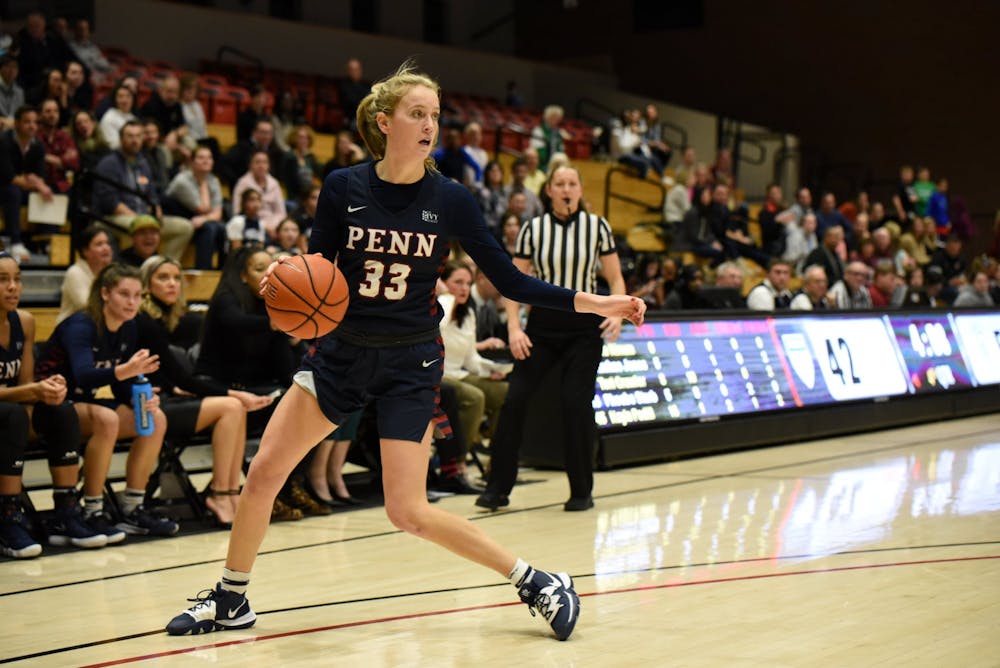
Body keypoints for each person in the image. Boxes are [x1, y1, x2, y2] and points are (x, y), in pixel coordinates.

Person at [166, 61, 643, 640]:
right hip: (341, 354)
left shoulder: (452, 199)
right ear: (384, 121)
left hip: (410, 363)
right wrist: (286, 292)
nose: (429, 126)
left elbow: (512, 282)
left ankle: (537, 580)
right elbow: (318, 273)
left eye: (435, 116)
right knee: (263, 471)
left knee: (406, 511)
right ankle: (230, 597)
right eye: (418, 114)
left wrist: (598, 302)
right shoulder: (343, 187)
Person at [476, 162, 628, 516]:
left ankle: (581, 491)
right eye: (559, 183)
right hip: (541, 326)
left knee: (575, 406)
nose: (566, 189)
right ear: (549, 191)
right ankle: (497, 489)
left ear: (580, 190)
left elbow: (616, 279)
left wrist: (615, 313)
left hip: (584, 328)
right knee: (515, 401)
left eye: (572, 183)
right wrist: (514, 327)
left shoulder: (598, 227)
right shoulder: (533, 229)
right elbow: (514, 283)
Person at [37, 263, 178, 539]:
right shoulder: (81, 325)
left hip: (83, 405)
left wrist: (143, 400)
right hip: (50, 406)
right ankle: (93, 509)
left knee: (154, 418)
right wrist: (128, 370)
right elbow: (84, 375)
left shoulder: (128, 327)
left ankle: (132, 508)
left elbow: (120, 383)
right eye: (124, 294)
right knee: (107, 418)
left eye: (138, 295)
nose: (132, 302)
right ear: (104, 293)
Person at [137, 255, 273, 527]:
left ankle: (231, 491)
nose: (172, 284)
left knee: (236, 408)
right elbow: (182, 379)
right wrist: (233, 393)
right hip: (150, 404)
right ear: (145, 284)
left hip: (170, 397)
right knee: (233, 405)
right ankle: (221, 493)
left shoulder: (181, 320)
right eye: (163, 278)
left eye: (176, 278)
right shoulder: (144, 320)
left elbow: (180, 379)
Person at [0, 251, 105, 557]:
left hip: (11, 410)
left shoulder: (26, 321)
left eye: (17, 279)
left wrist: (47, 391)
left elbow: (26, 386)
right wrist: (32, 390)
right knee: (14, 416)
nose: (13, 287)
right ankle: (7, 517)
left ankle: (66, 513)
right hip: (7, 415)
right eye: (3, 280)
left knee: (61, 409)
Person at [438, 259, 509, 487]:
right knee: (474, 397)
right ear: (443, 284)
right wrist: (444, 295)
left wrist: (492, 370)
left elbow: (472, 359)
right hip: (438, 375)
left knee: (504, 391)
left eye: (467, 283)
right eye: (457, 282)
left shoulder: (468, 315)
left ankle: (495, 463)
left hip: (458, 373)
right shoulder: (440, 306)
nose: (464, 288)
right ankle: (455, 465)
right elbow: (442, 317)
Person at [92, 120, 193, 261]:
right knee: (136, 227)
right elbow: (109, 202)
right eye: (130, 136)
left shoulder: (143, 163)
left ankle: (163, 267)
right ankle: (132, 270)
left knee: (184, 227)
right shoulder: (108, 163)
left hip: (143, 217)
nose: (134, 140)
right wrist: (139, 219)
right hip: (113, 217)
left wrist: (156, 209)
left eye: (138, 136)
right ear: (121, 139)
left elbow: (152, 194)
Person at [0, 105, 52, 262]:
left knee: (49, 192)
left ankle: (44, 240)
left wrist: (38, 183)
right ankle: (15, 241)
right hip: (3, 187)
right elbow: (10, 177)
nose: (32, 126)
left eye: (35, 122)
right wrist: (34, 182)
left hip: (22, 187)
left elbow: (41, 175)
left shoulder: (37, 145)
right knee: (13, 192)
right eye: (27, 122)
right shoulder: (3, 141)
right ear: (16, 123)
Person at [164, 146, 227, 269]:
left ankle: (221, 270)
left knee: (221, 228)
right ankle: (203, 270)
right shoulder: (182, 181)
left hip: (197, 219)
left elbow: (218, 213)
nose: (206, 161)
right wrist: (203, 184)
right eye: (201, 158)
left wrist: (205, 218)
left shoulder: (213, 180)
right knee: (209, 229)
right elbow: (203, 208)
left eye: (209, 158)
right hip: (177, 217)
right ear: (192, 162)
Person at [57, 224, 114, 323]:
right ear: (85, 251)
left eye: (107, 243)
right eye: (99, 244)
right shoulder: (75, 272)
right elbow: (86, 305)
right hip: (73, 327)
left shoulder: (111, 272)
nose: (106, 248)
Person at [231, 149, 286, 240]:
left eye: (265, 162)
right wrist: (264, 226)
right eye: (257, 162)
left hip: (274, 227)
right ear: (250, 165)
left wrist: (274, 226)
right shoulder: (243, 184)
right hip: (251, 225)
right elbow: (237, 211)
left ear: (269, 165)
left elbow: (281, 212)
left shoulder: (274, 183)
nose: (261, 165)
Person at [37, 97, 78, 193]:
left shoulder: (65, 137)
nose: (52, 115)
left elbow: (74, 164)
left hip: (61, 186)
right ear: (39, 115)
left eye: (56, 111)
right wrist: (61, 160)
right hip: (38, 184)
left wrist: (47, 157)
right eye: (48, 111)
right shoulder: (34, 136)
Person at [98, 83, 137, 151]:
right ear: (115, 100)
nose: (125, 100)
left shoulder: (133, 117)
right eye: (120, 96)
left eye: (128, 96)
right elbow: (112, 146)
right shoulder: (109, 117)